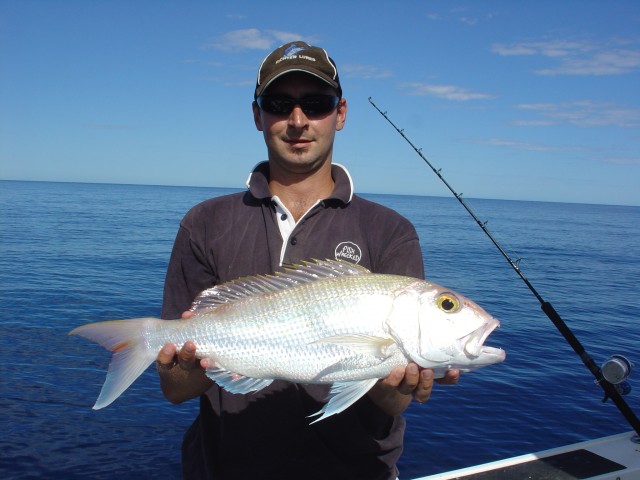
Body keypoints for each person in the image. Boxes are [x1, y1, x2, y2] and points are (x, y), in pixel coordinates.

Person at [156, 41, 459, 480]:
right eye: (280, 104)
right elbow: (175, 389)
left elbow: (393, 402)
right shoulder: (204, 223)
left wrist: (402, 384)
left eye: (316, 104)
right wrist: (192, 358)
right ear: (257, 114)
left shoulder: (391, 231)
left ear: (340, 113)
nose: (298, 121)